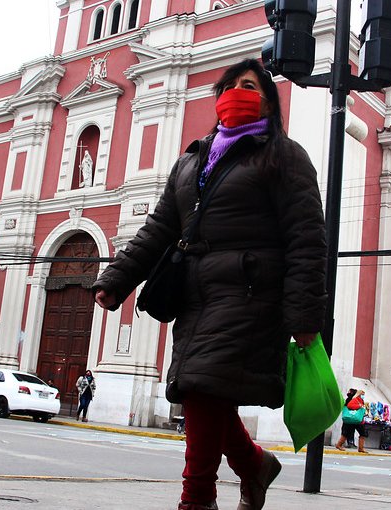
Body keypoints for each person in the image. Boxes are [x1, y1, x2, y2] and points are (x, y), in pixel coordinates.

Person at [93, 58, 326, 510]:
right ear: (218, 98)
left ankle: (196, 499)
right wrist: (117, 278)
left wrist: (304, 316)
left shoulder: (284, 155)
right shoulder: (192, 159)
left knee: (200, 388)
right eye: (231, 85)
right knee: (206, 390)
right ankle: (254, 465)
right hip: (196, 297)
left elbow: (307, 239)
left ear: (268, 102)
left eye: (250, 86)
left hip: (253, 295)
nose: (238, 91)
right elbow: (158, 228)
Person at [336, 389, 368, 453]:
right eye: (362, 395)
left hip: (354, 419)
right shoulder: (355, 399)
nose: (363, 396)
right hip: (354, 419)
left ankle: (360, 448)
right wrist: (359, 406)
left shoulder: (359, 400)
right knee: (360, 433)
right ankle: (339, 445)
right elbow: (350, 406)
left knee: (349, 433)